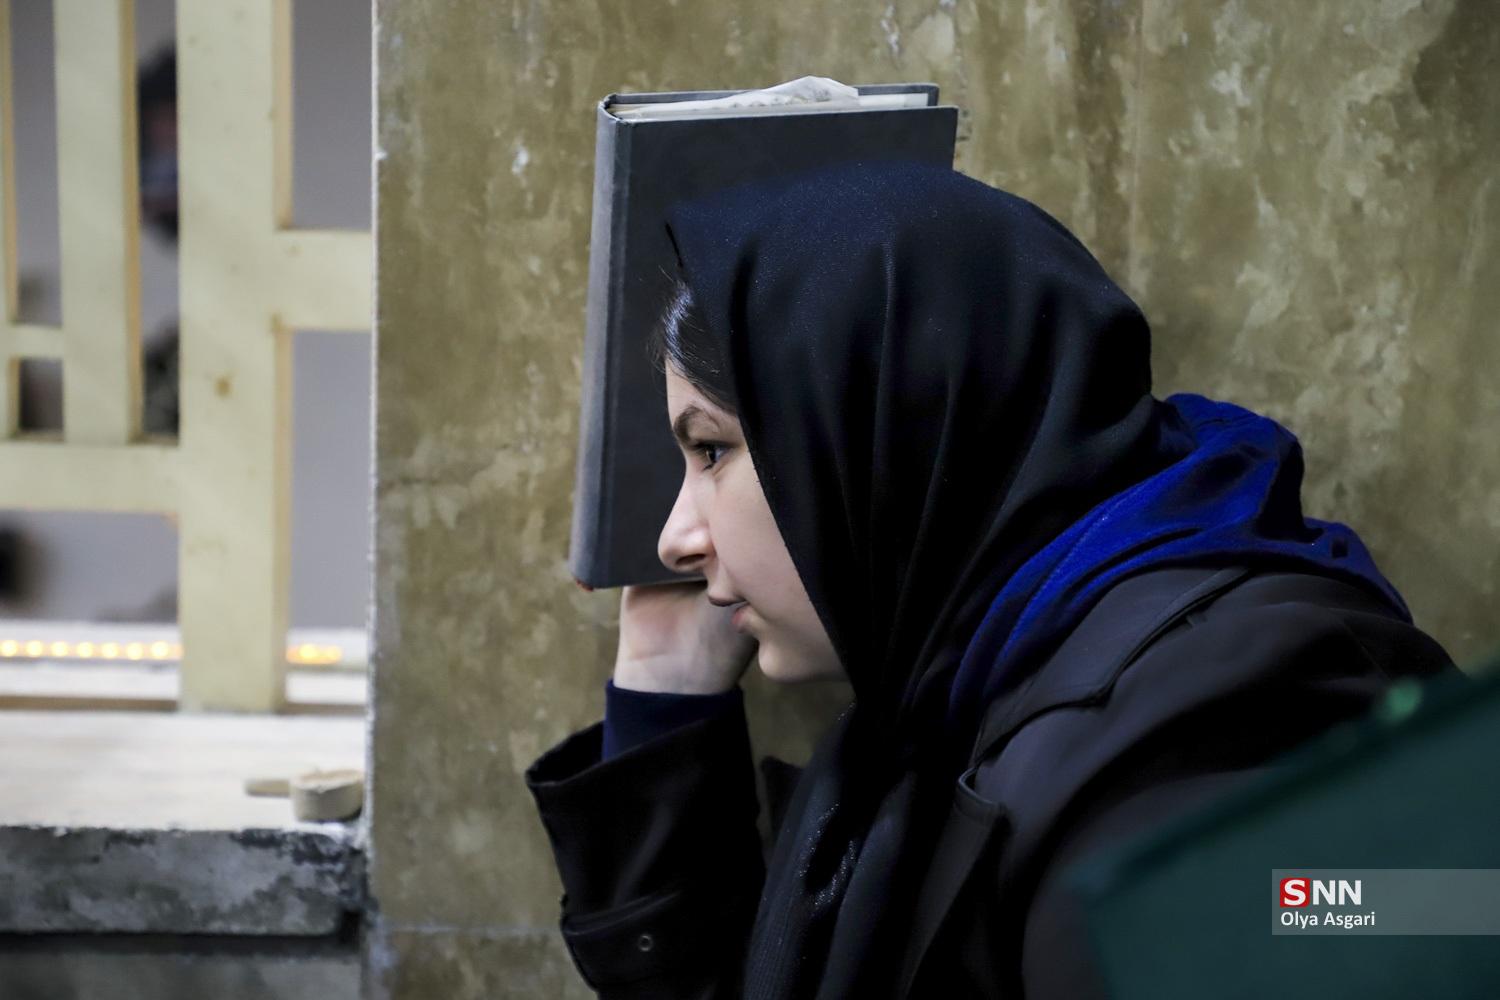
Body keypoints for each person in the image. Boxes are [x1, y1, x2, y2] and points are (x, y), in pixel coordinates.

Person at [524, 161, 1457, 998]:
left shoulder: (1230, 716)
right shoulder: (954, 691)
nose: (676, 539)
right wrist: (665, 691)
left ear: (885, 431)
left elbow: (1416, 907)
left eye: (712, 450)